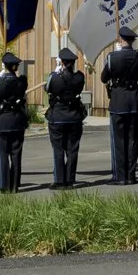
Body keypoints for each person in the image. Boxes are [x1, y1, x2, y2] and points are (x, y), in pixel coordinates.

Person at [100, 25, 138, 184]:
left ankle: (121, 177)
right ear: (133, 40)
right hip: (134, 100)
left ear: (120, 39)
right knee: (133, 140)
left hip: (118, 100)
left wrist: (116, 55)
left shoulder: (112, 57)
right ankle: (131, 175)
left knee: (119, 141)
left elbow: (104, 78)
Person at [0, 51, 29, 193]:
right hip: (17, 122)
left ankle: (3, 185)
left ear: (4, 66)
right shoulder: (22, 81)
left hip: (2, 121)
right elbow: (20, 85)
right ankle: (15, 185)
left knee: (2, 154)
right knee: (16, 154)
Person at [44, 47, 87, 188]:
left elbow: (47, 88)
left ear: (61, 62)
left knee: (58, 149)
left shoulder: (55, 78)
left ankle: (59, 180)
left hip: (58, 117)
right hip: (74, 117)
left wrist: (57, 71)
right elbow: (77, 81)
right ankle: (70, 179)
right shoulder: (79, 77)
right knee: (72, 150)